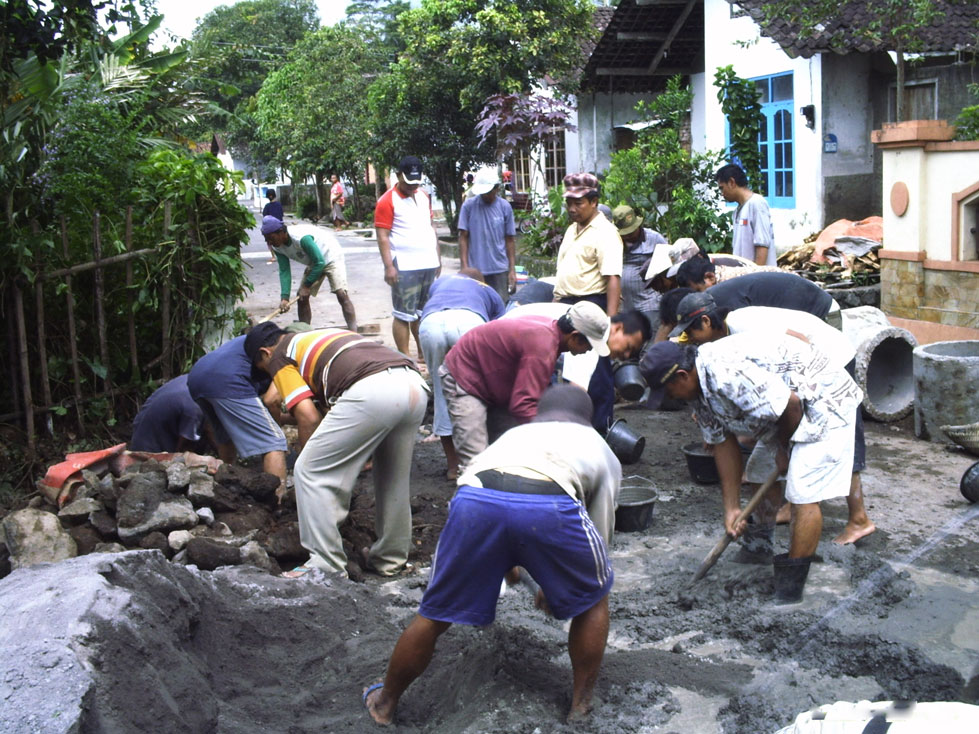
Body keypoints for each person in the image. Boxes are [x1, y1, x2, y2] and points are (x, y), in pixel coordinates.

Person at [363, 385, 618, 726]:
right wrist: (567, 584)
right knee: (593, 600)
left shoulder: (515, 434)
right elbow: (597, 536)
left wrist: (506, 560)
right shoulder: (599, 447)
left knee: (435, 613)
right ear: (587, 421)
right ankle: (581, 705)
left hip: (474, 501)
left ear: (540, 415)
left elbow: (494, 493)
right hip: (550, 503)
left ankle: (384, 704)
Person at [640, 335, 863, 602]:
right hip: (785, 407)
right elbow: (723, 444)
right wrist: (731, 507)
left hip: (822, 399)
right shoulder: (699, 390)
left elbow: (791, 405)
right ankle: (758, 548)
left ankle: (791, 588)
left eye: (667, 391)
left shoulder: (727, 375)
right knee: (758, 470)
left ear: (683, 376)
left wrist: (785, 449)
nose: (670, 398)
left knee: (803, 490)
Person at [671, 292, 876, 545]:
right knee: (769, 458)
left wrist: (788, 444)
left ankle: (858, 518)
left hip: (827, 358)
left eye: (691, 333)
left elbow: (800, 343)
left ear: (705, 321)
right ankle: (785, 515)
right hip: (794, 384)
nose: (690, 341)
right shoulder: (716, 345)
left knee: (832, 445)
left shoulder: (746, 325)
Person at [247, 322, 429, 578]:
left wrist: (312, 463)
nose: (270, 376)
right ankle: (389, 559)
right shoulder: (324, 335)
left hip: (372, 390)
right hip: (412, 385)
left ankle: (324, 565)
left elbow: (308, 416)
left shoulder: (279, 355)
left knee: (309, 470)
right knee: (392, 478)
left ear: (265, 353)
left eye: (264, 370)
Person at [440, 300, 610, 470]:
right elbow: (522, 405)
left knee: (507, 453)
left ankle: (502, 492)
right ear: (574, 336)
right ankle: (472, 492)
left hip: (495, 383)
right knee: (476, 463)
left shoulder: (550, 335)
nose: (589, 350)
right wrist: (555, 439)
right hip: (466, 376)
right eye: (589, 344)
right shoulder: (542, 346)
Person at [504, 303, 652, 429]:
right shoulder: (592, 335)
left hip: (514, 336)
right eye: (628, 347)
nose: (625, 355)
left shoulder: (593, 321)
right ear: (618, 328)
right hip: (506, 346)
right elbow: (576, 394)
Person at [418, 269, 506, 479]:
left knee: (442, 391)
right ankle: (482, 462)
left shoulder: (440, 283)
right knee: (478, 390)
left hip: (431, 324)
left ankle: (452, 468)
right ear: (480, 281)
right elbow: (501, 327)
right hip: (470, 322)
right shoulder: (486, 288)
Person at [553, 173, 624, 430]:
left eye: (578, 203)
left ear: (594, 201)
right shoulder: (573, 229)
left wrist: (611, 322)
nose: (572, 209)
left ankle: (601, 430)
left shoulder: (605, 232)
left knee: (596, 373)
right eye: (569, 203)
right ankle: (574, 426)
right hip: (567, 304)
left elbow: (613, 278)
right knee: (570, 371)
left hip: (592, 304)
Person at [187, 331, 288, 498]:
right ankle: (277, 501)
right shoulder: (283, 354)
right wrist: (274, 429)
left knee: (226, 435)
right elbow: (271, 401)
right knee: (274, 441)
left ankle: (226, 484)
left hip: (198, 376)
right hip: (228, 380)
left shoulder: (260, 338)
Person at [374, 156, 441, 360]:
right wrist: (389, 267)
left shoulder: (423, 196)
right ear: (398, 176)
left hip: (428, 263)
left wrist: (437, 257)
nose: (412, 186)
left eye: (416, 182)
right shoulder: (387, 201)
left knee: (422, 312)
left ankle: (422, 353)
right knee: (404, 314)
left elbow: (430, 227)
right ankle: (405, 356)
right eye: (408, 181)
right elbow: (382, 236)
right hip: (404, 265)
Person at [260, 216, 357, 329]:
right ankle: (305, 331)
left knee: (341, 293)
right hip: (314, 261)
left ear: (281, 232)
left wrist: (306, 286)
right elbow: (284, 271)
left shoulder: (301, 238)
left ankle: (353, 330)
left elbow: (320, 263)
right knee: (301, 297)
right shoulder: (277, 248)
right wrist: (284, 298)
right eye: (266, 239)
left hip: (331, 255)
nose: (269, 242)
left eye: (271, 238)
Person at [458, 171, 517, 303]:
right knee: (476, 304)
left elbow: (510, 240)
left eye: (489, 192)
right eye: (483, 192)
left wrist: (512, 270)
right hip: (476, 269)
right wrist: (464, 267)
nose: (486, 195)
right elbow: (463, 237)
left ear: (496, 189)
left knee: (500, 306)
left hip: (499, 269)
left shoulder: (504, 207)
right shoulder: (468, 206)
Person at [612, 205, 667, 334]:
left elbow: (669, 265)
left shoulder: (654, 238)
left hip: (650, 303)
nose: (629, 236)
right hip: (627, 306)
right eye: (626, 233)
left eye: (631, 232)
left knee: (651, 340)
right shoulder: (614, 241)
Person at [716, 163, 776, 267]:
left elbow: (762, 245)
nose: (722, 193)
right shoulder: (737, 211)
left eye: (722, 188)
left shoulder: (757, 203)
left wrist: (756, 276)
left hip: (759, 278)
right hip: (744, 276)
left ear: (731, 182)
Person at [129, 374, 207, 453]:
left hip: (158, 431)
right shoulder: (194, 406)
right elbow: (184, 450)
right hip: (149, 446)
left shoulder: (198, 379)